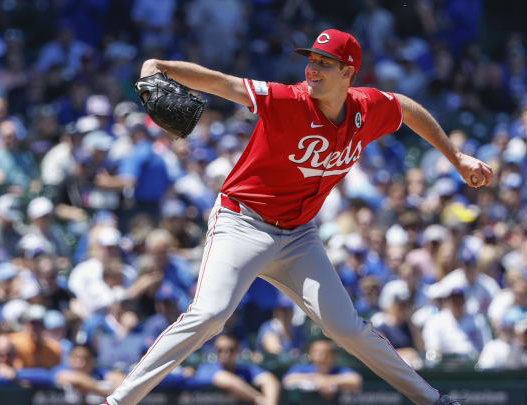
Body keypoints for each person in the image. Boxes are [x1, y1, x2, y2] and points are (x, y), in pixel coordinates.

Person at [105, 28, 492, 405]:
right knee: (210, 315)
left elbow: (405, 108)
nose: (313, 69)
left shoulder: (367, 108)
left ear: (348, 73)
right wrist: (159, 66)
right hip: (243, 223)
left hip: (298, 236)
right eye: (311, 60)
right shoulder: (287, 100)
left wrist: (455, 158)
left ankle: (432, 400)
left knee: (347, 328)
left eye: (326, 63)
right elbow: (225, 84)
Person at [192, 333, 280, 405]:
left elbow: (269, 379)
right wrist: (258, 399)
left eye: (230, 350)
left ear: (238, 350)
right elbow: (225, 379)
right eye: (220, 350)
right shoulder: (207, 368)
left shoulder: (245, 369)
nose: (225, 354)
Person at [282, 339, 362, 398]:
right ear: (311, 354)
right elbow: (287, 380)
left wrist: (328, 381)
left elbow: (356, 380)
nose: (322, 357)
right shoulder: (301, 368)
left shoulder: (339, 370)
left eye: (326, 353)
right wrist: (316, 379)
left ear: (333, 356)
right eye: (317, 353)